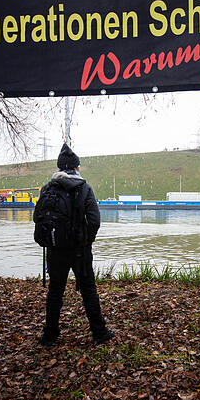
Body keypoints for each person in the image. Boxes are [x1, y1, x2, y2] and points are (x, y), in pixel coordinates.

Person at [38, 144, 113, 348]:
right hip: (80, 251)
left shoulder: (48, 188)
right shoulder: (84, 188)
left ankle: (50, 336)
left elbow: (40, 219)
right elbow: (94, 221)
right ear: (76, 168)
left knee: (55, 291)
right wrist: (86, 241)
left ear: (60, 168)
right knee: (88, 289)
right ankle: (99, 333)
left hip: (55, 249)